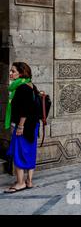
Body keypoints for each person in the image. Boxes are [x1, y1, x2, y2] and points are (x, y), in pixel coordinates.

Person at [4, 62, 40, 194]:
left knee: (19, 153)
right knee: (30, 152)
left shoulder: (21, 88)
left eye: (13, 71)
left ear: (21, 73)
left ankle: (20, 183)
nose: (10, 74)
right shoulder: (31, 85)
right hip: (33, 126)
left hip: (24, 127)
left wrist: (20, 126)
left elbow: (25, 109)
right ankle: (29, 181)